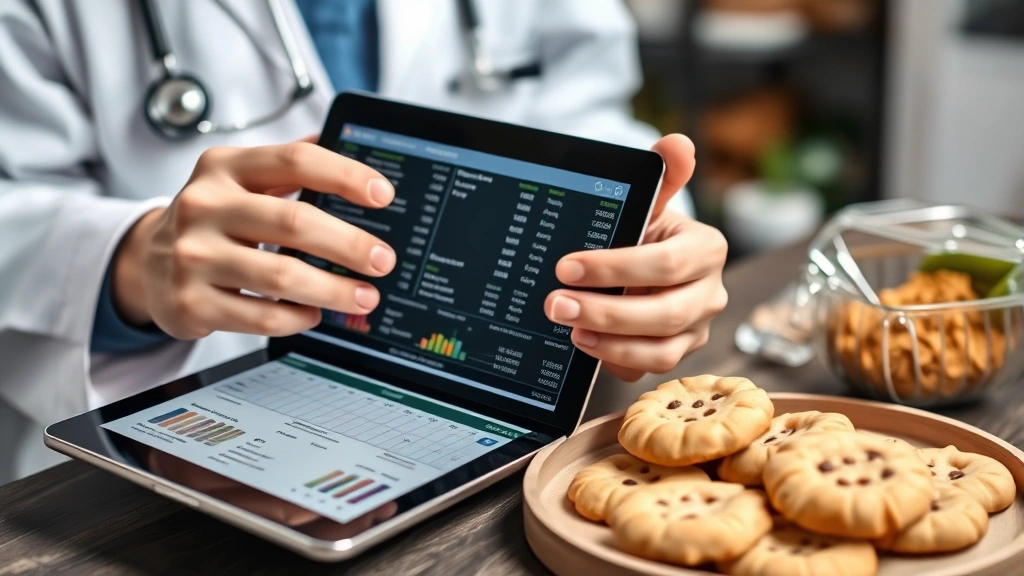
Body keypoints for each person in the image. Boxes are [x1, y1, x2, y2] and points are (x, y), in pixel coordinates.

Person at [0, 0, 728, 483]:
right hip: (131, 461)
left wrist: (648, 254)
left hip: (484, 411)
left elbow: (586, 110)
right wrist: (129, 262)